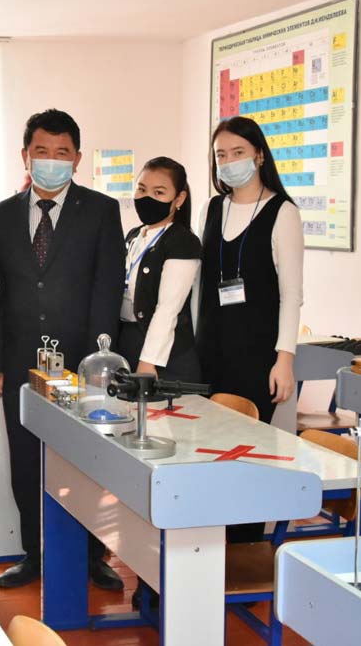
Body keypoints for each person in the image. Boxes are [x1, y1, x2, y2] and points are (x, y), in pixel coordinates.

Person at [0, 109, 125, 589]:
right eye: (41, 151)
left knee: (85, 460)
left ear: (77, 158)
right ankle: (35, 553)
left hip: (81, 362)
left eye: (62, 152)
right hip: (21, 361)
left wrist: (98, 366)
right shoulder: (2, 214)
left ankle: (92, 556)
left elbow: (107, 288)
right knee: (26, 458)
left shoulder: (102, 210)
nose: (51, 160)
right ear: (25, 156)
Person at [196, 116, 304, 543]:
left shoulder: (283, 212)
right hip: (210, 352)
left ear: (259, 155)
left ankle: (242, 548)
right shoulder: (213, 209)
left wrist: (284, 359)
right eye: (221, 155)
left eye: (238, 152)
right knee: (206, 454)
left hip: (256, 356)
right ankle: (206, 545)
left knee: (244, 457)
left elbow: (292, 295)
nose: (229, 162)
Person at [119, 157, 202, 382]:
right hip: (129, 344)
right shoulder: (134, 236)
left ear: (179, 199)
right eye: (142, 189)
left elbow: (168, 308)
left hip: (165, 358)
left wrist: (148, 361)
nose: (147, 198)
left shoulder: (182, 242)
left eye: (159, 193)